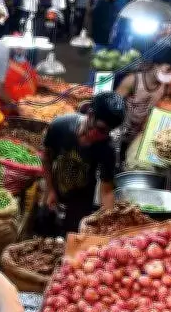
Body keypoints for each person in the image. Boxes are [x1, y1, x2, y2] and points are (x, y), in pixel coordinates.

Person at [41, 91, 125, 233]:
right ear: (90, 114)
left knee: (73, 234)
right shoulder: (60, 126)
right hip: (56, 185)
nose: (102, 136)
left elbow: (107, 190)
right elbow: (46, 158)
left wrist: (109, 223)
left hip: (82, 197)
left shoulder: (107, 148)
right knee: (44, 227)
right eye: (100, 129)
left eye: (107, 132)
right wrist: (50, 190)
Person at [115, 46, 171, 150]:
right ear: (156, 64)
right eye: (169, 69)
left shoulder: (168, 87)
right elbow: (112, 105)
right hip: (118, 131)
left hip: (136, 136)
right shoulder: (133, 80)